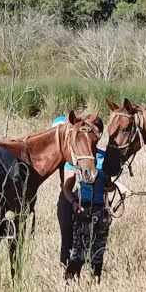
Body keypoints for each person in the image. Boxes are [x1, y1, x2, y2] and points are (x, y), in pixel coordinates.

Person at [55, 114, 123, 281]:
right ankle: (69, 283)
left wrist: (111, 187)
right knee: (78, 251)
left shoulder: (103, 157)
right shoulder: (76, 159)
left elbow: (109, 183)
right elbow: (67, 187)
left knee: (98, 253)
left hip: (101, 209)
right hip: (83, 208)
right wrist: (73, 204)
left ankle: (95, 284)